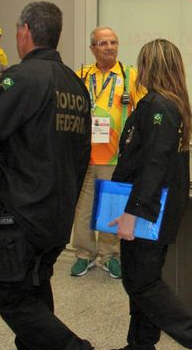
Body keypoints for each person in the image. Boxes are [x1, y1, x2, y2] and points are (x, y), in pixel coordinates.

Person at [109, 39, 192, 350]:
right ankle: (141, 343)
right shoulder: (166, 104)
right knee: (141, 278)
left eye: (142, 63)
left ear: (151, 66)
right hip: (155, 207)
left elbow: (154, 164)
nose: (138, 70)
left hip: (149, 209)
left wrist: (133, 213)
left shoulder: (158, 107)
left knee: (142, 281)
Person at [0, 1, 93, 349]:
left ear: (25, 31)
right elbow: (83, 155)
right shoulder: (75, 86)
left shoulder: (21, 79)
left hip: (20, 215)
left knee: (10, 294)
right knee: (35, 288)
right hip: (56, 215)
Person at [71, 26, 144, 279]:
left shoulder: (129, 74)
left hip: (115, 156)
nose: (110, 47)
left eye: (113, 42)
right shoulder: (81, 76)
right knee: (83, 208)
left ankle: (110, 255)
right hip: (85, 155)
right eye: (103, 43)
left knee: (112, 206)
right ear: (93, 48)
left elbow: (144, 106)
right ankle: (83, 254)